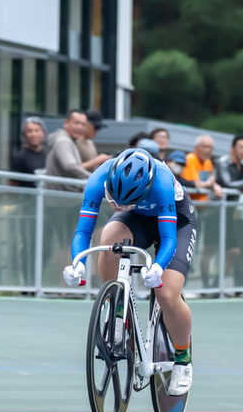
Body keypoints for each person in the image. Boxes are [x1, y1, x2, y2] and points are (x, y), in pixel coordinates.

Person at [63, 148, 196, 396]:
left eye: (123, 202)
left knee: (167, 294)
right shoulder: (98, 178)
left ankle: (183, 360)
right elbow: (83, 232)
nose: (114, 205)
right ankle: (117, 310)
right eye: (112, 199)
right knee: (109, 238)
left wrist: (158, 266)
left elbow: (167, 239)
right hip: (137, 216)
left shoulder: (163, 183)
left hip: (177, 222)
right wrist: (77, 263)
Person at [182, 134, 222, 288]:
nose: (208, 150)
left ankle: (204, 286)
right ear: (196, 148)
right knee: (188, 248)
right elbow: (197, 185)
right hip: (190, 210)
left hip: (205, 210)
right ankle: (183, 286)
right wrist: (210, 184)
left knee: (205, 247)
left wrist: (212, 184)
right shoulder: (191, 159)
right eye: (204, 147)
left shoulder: (208, 162)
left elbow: (207, 182)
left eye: (210, 147)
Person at [215, 135, 243, 287]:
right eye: (242, 147)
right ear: (233, 148)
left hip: (235, 214)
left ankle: (222, 284)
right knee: (216, 249)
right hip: (219, 213)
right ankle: (212, 285)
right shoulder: (223, 162)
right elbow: (227, 183)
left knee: (237, 250)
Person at [45, 110, 92, 191]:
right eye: (76, 123)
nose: (79, 127)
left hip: (64, 197)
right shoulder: (63, 141)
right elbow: (70, 166)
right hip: (62, 198)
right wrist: (93, 178)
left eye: (83, 124)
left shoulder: (70, 140)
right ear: (66, 123)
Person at [10, 116, 47, 188]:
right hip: (26, 198)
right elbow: (13, 185)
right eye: (29, 131)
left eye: (37, 131)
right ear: (24, 134)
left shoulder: (49, 154)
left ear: (43, 133)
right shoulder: (19, 157)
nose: (34, 134)